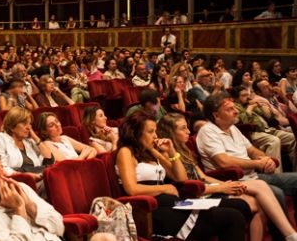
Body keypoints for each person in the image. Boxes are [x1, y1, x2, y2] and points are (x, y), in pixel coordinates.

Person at [158, 113, 297, 241]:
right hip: (195, 196)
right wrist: (222, 187)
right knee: (259, 198)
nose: (188, 131)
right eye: (183, 128)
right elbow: (184, 183)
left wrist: (227, 185)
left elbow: (202, 176)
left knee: (260, 191)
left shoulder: (183, 149)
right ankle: (290, 234)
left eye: (187, 127)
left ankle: (289, 234)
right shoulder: (165, 154)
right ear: (171, 132)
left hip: (208, 188)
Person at [116, 111, 248, 241]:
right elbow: (132, 189)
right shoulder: (126, 152)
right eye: (150, 132)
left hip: (174, 203)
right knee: (233, 218)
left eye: (155, 131)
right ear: (136, 133)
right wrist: (165, 188)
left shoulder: (152, 152)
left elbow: (180, 178)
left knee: (240, 206)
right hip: (153, 210)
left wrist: (171, 151)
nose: (155, 136)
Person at [197, 93, 297, 221]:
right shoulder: (207, 131)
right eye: (230, 109)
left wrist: (265, 159)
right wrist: (257, 164)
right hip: (234, 181)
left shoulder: (232, 128)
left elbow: (252, 150)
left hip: (253, 176)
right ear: (216, 115)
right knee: (276, 192)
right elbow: (224, 162)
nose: (236, 111)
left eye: (235, 107)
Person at [0, 149, 65, 241]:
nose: (4, 173)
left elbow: (59, 227)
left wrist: (29, 206)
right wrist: (19, 210)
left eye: (2, 167)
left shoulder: (21, 188)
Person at [0, 107, 53, 179]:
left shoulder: (29, 141)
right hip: (19, 180)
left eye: (30, 124)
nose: (29, 128)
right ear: (12, 126)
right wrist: (25, 176)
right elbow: (2, 167)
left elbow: (49, 160)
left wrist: (35, 137)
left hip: (38, 177)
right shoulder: (0, 138)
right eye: (24, 123)